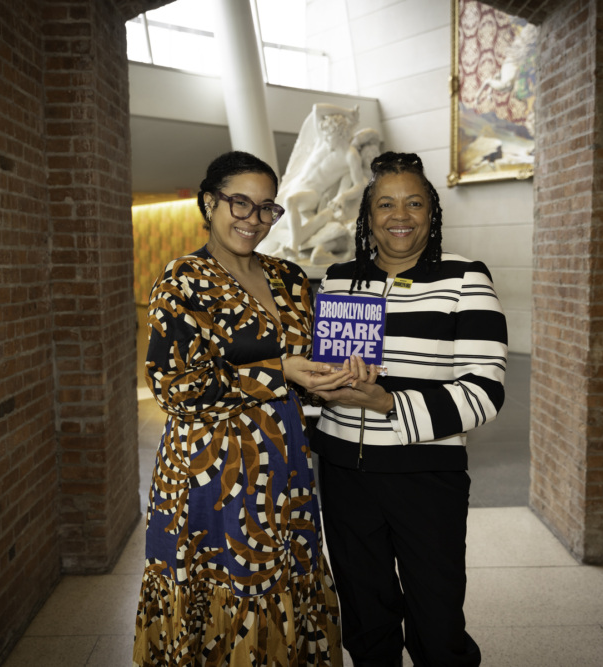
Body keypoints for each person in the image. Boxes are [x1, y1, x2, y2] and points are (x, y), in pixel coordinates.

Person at [133, 151, 350, 665]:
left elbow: (306, 369)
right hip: (210, 471)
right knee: (222, 588)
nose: (253, 219)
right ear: (209, 202)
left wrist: (334, 377)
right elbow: (172, 387)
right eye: (239, 203)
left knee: (283, 580)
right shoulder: (183, 280)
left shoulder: (290, 277)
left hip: (284, 467)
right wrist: (280, 373)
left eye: (266, 208)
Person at [311, 152, 508, 667]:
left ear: (431, 212)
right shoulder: (337, 280)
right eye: (386, 204)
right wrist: (319, 390)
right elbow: (318, 378)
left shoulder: (465, 279)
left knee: (436, 618)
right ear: (368, 216)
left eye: (414, 203)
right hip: (344, 471)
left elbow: (486, 390)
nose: (400, 216)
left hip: (425, 474)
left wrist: (388, 402)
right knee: (365, 615)